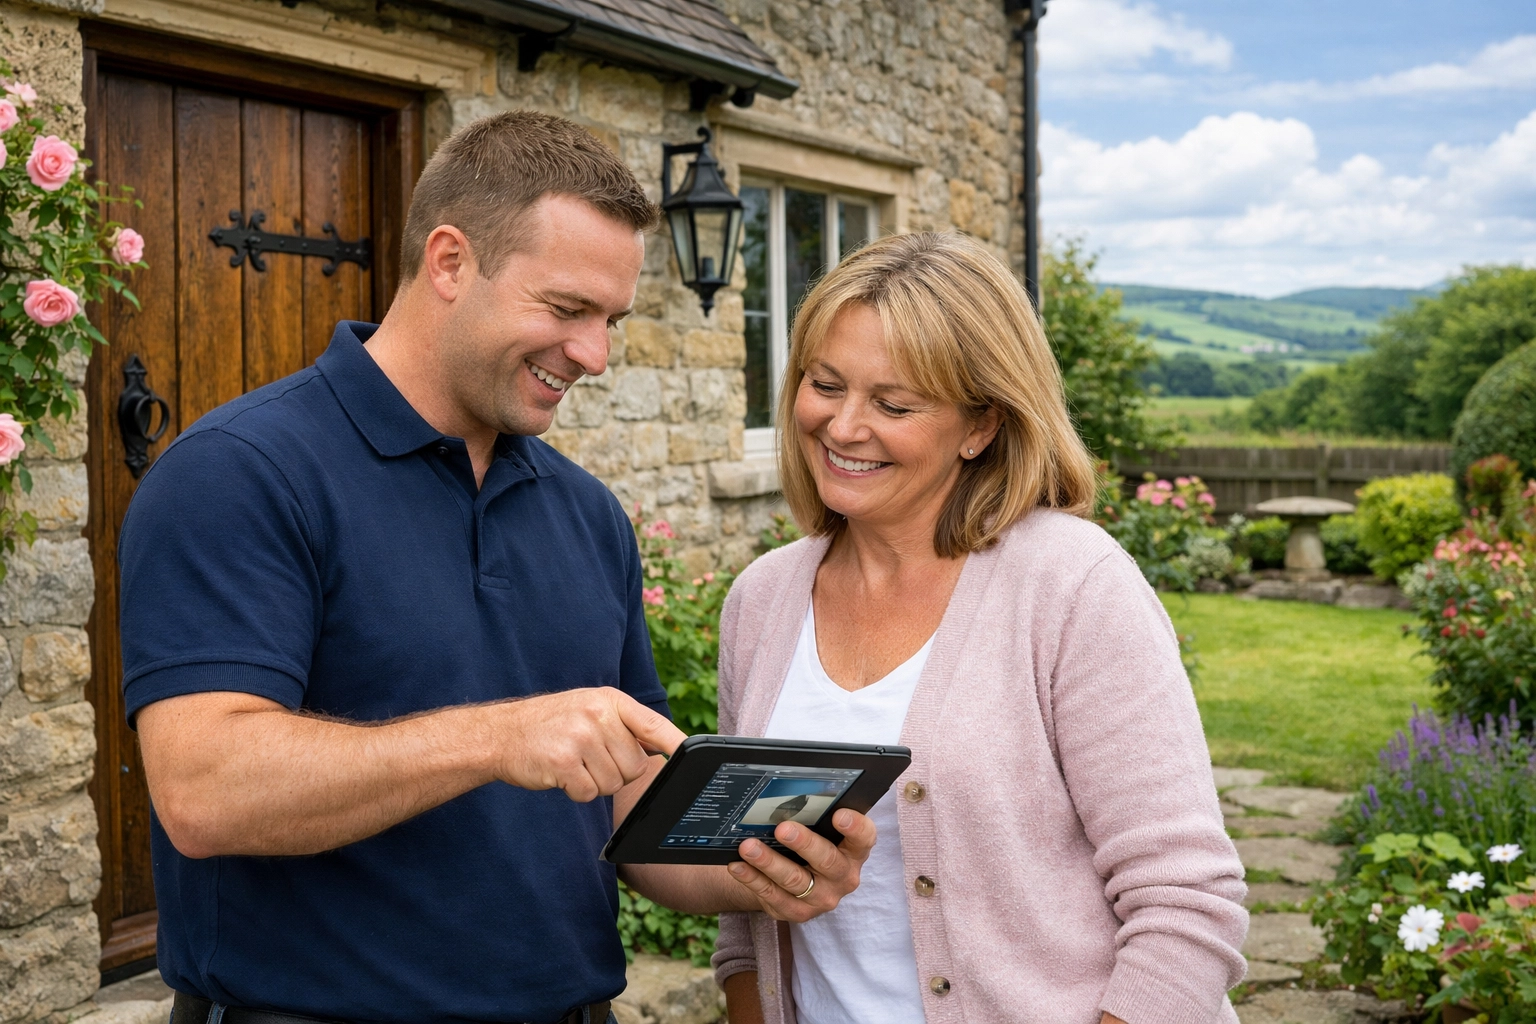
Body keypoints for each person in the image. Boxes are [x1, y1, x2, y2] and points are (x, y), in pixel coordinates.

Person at [120, 111, 872, 1024]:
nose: (595, 355)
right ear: (449, 262)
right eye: (566, 309)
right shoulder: (238, 472)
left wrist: (762, 868)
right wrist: (499, 739)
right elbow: (204, 790)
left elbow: (632, 809)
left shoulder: (587, 513)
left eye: (610, 320)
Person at [710, 232, 1249, 1024]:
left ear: (981, 426)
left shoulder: (1071, 585)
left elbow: (1186, 905)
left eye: (893, 405)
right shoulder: (762, 600)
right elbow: (744, 908)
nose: (843, 426)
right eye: (825, 385)